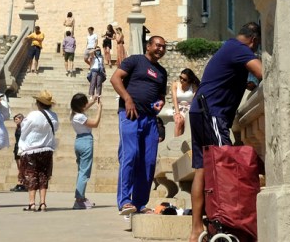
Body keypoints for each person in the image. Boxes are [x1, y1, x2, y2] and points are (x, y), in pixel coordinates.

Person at [187, 22, 264, 242]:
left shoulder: (228, 48)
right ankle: (225, 225)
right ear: (254, 39)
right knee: (224, 166)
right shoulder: (240, 49)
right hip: (213, 112)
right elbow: (263, 72)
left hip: (200, 109)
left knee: (202, 168)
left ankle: (196, 230)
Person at [110, 35, 168, 215]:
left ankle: (140, 203)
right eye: (157, 45)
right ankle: (125, 201)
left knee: (149, 162)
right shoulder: (135, 61)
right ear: (148, 46)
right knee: (130, 155)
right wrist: (127, 99)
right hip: (130, 115)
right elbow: (115, 79)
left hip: (150, 119)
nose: (160, 49)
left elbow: (161, 96)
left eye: (163, 47)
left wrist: (160, 103)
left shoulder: (162, 72)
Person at [17, 90, 59, 211]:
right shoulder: (54, 116)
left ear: (38, 103)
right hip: (46, 148)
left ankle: (32, 203)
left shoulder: (33, 115)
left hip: (31, 149)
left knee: (32, 175)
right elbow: (55, 128)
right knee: (43, 175)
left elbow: (24, 128)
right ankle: (43, 203)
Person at [70, 93, 102, 210]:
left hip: (78, 141)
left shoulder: (73, 113)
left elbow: (83, 108)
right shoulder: (80, 117)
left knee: (81, 170)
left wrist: (93, 101)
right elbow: (95, 124)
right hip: (86, 141)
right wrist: (99, 109)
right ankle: (79, 199)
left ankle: (81, 197)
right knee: (85, 172)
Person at [171, 68, 201, 138]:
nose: (181, 80)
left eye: (184, 79)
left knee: (189, 121)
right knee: (178, 121)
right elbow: (174, 100)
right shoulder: (175, 85)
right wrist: (177, 113)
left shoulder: (193, 86)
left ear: (189, 80)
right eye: (180, 77)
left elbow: (195, 100)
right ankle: (177, 142)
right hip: (178, 107)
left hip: (190, 107)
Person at [10, 114, 26, 192]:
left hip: (22, 148)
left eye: (17, 119)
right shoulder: (18, 127)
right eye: (15, 119)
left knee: (21, 167)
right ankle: (20, 183)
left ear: (21, 119)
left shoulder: (24, 128)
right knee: (19, 167)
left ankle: (21, 183)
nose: (15, 121)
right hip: (17, 148)